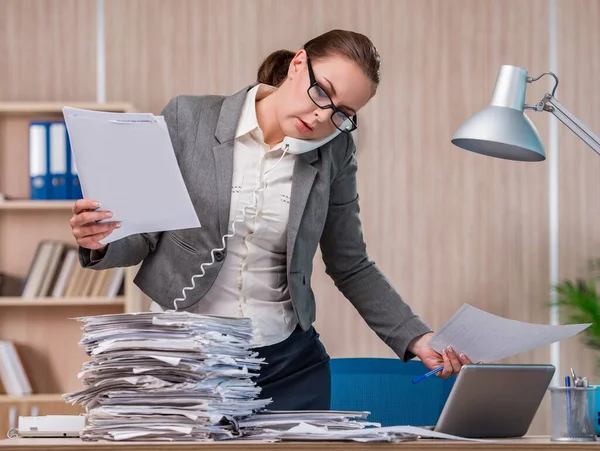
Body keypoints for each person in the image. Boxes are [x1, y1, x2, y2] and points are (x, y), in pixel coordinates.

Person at [70, 29, 471, 410]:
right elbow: (146, 232)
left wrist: (416, 337)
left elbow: (350, 263)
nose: (321, 116)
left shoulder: (335, 150)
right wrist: (100, 239)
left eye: (341, 113)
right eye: (321, 92)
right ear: (299, 63)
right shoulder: (189, 118)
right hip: (188, 360)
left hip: (288, 365)